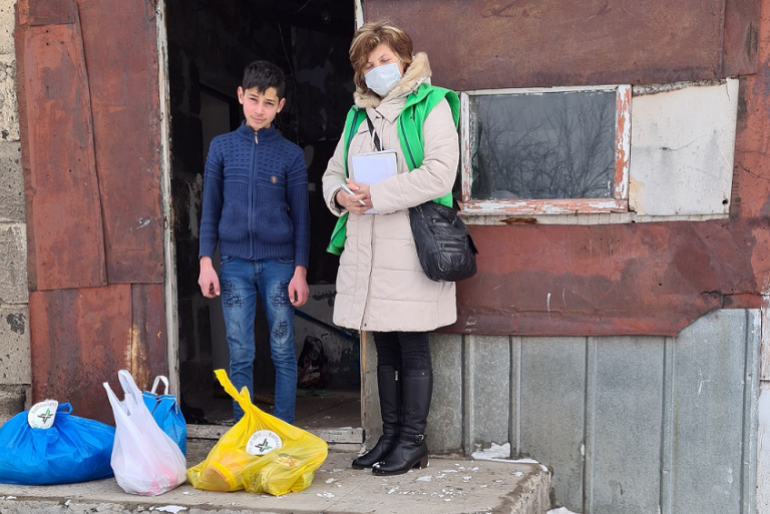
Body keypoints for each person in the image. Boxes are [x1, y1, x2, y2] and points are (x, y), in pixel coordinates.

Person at [322, 22, 460, 476]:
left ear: (403, 59)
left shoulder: (431, 104)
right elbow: (332, 172)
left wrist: (378, 195)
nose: (376, 69)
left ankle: (413, 442)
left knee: (413, 348)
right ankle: (389, 436)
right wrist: (341, 196)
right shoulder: (356, 116)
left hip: (410, 245)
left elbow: (440, 173)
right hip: (367, 248)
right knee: (384, 350)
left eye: (383, 60)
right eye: (367, 64)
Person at [198, 61, 310, 424]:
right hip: (233, 265)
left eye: (268, 102)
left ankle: (283, 428)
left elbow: (303, 218)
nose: (259, 109)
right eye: (253, 99)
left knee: (282, 350)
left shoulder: (291, 155)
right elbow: (210, 208)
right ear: (240, 97)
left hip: (279, 266)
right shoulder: (222, 148)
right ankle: (244, 429)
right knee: (241, 352)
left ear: (281, 106)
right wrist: (205, 262)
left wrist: (300, 271)